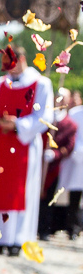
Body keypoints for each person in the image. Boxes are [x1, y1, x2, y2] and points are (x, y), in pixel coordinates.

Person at [0, 46, 52, 256]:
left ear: (21, 59)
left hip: (24, 145)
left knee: (21, 190)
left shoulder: (41, 84)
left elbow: (45, 117)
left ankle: (17, 239)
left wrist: (17, 124)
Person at [38, 87, 77, 240]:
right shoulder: (46, 118)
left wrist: (55, 154)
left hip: (56, 166)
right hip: (39, 163)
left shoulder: (70, 124)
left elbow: (69, 146)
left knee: (50, 198)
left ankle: (45, 229)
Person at [58, 96, 83, 240]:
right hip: (76, 159)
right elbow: (72, 133)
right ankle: (72, 227)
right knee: (74, 195)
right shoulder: (75, 113)